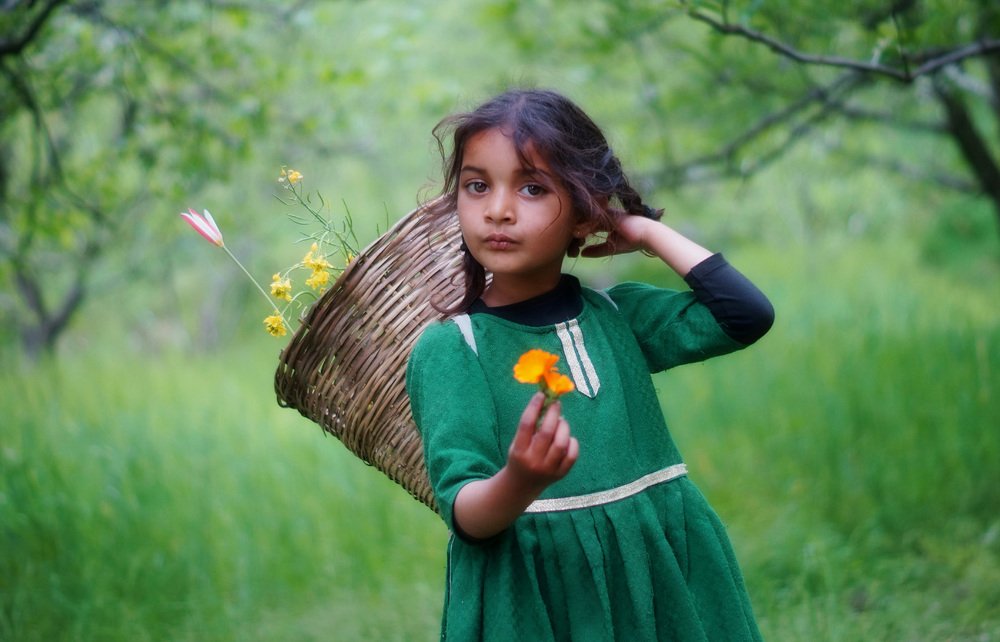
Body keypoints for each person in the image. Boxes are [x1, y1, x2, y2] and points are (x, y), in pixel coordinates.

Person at [405, 88, 774, 641]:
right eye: (476, 185)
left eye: (532, 187)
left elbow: (746, 315)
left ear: (584, 213)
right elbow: (467, 515)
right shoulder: (455, 349)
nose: (498, 209)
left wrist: (644, 231)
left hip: (656, 582)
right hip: (537, 601)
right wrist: (520, 480)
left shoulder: (617, 315)